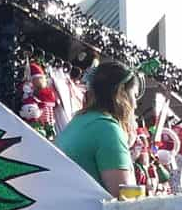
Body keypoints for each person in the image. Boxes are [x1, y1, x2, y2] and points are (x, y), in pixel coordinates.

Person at [53, 61, 138, 195]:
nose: (136, 105)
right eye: (134, 95)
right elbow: (126, 200)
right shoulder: (107, 129)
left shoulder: (79, 121)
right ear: (121, 94)